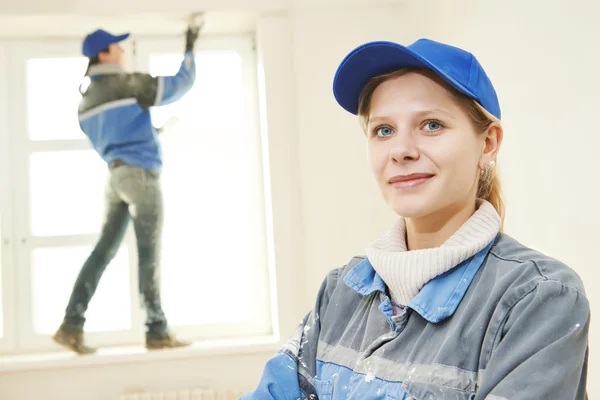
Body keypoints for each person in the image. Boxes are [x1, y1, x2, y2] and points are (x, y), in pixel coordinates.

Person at [242, 39, 590, 399]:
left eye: (432, 125)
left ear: (487, 143)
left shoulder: (538, 299)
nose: (401, 150)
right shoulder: (339, 293)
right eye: (383, 130)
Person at [53, 25, 202, 355]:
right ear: (103, 54)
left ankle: (71, 325)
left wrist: (154, 131)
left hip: (116, 178)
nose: (123, 52)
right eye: (117, 48)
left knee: (102, 252)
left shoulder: (86, 103)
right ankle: (157, 330)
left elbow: (117, 137)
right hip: (141, 178)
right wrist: (190, 49)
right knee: (149, 252)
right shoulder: (128, 83)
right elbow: (181, 85)